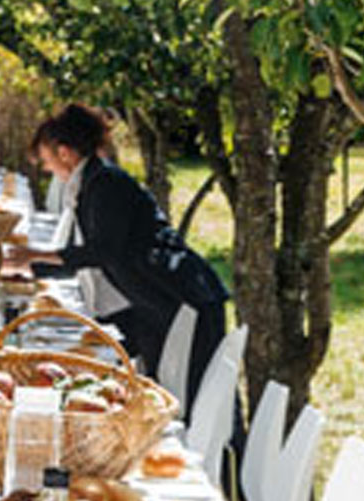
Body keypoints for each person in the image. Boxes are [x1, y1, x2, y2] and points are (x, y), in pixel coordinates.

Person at [14, 104, 244, 455]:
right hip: (157, 301)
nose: (48, 170)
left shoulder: (105, 183)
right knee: (172, 391)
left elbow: (102, 251)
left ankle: (233, 482)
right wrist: (33, 267)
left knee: (210, 404)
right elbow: (91, 256)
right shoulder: (92, 181)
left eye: (47, 162)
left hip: (183, 296)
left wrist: (33, 259)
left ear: (64, 152)